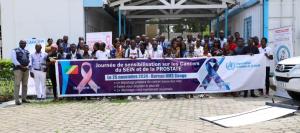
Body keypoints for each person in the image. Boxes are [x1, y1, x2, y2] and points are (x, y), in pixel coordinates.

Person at [11, 40, 31, 105]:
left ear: (25, 44)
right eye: (21, 43)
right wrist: (21, 66)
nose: (23, 44)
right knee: (17, 84)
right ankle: (17, 100)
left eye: (24, 43)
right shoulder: (14, 50)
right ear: (19, 44)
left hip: (26, 69)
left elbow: (30, 60)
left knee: (25, 85)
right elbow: (14, 60)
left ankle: (24, 99)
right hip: (18, 69)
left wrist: (27, 66)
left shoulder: (27, 51)